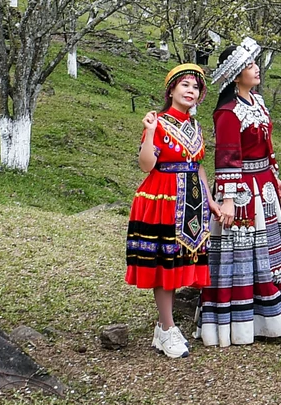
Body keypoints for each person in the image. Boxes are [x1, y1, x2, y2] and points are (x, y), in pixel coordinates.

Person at [200, 38, 281, 346]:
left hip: (264, 188)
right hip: (242, 192)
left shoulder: (257, 103)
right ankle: (255, 321)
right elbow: (227, 158)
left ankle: (277, 316)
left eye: (253, 63)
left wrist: (276, 182)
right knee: (249, 254)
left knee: (273, 251)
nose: (256, 68)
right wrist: (230, 202)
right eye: (249, 65)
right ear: (236, 75)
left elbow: (267, 148)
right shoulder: (227, 113)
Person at [126, 62, 214, 358]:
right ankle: (166, 328)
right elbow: (146, 165)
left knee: (177, 264)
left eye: (196, 87)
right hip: (162, 197)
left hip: (190, 200)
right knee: (165, 266)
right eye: (186, 85)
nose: (191, 91)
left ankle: (164, 328)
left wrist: (210, 200)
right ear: (172, 89)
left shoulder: (195, 126)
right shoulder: (158, 122)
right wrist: (149, 132)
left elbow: (197, 166)